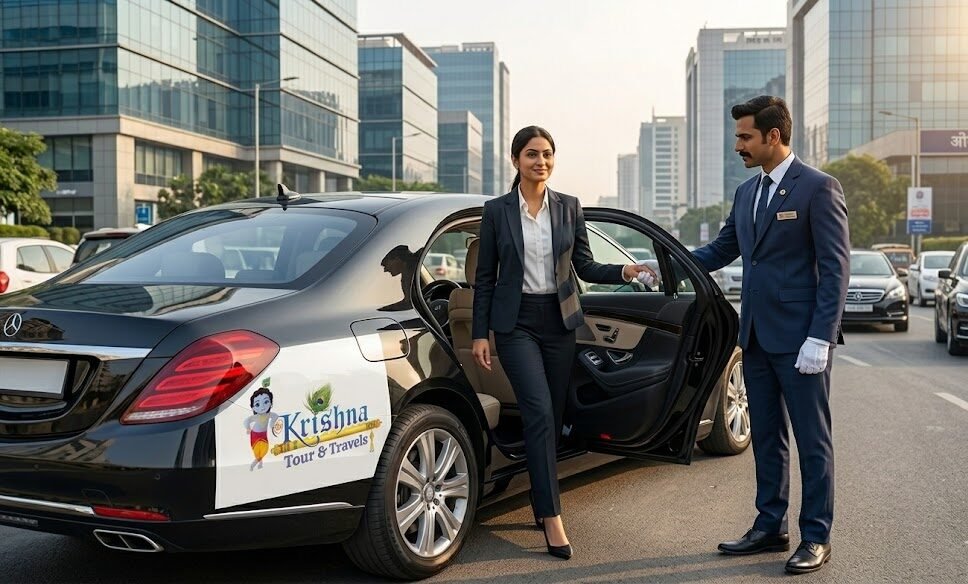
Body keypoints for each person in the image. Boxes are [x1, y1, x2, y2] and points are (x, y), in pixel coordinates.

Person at [471, 126, 652, 560]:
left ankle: (540, 497)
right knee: (537, 411)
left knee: (552, 416)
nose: (542, 162)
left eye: (548, 154)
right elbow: (485, 278)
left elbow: (584, 266)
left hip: (559, 322)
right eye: (532, 154)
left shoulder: (569, 207)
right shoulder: (497, 211)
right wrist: (480, 333)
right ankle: (552, 517)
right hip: (515, 325)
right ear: (516, 160)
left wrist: (625, 271)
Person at [692, 96, 849, 574]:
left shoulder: (818, 188)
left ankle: (816, 536)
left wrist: (820, 338)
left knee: (812, 441)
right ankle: (770, 526)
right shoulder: (746, 193)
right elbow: (721, 250)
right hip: (756, 338)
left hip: (802, 343)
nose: (737, 145)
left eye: (745, 137)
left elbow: (835, 269)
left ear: (773, 136)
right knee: (766, 437)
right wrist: (665, 264)